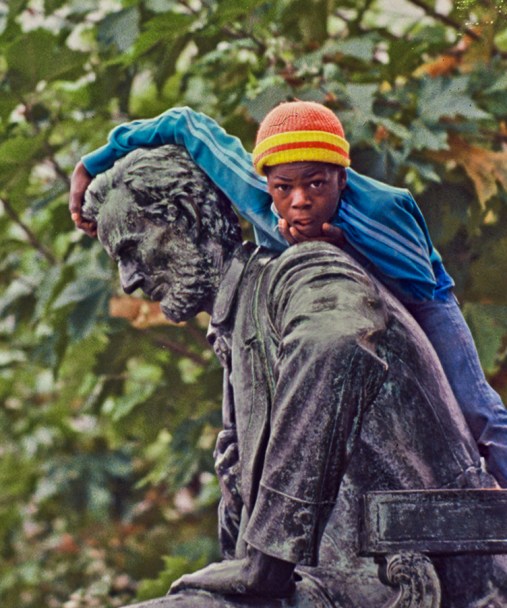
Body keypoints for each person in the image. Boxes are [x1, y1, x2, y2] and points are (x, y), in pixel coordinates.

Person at [78, 145, 506, 608]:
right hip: (334, 599)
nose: (130, 280)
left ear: (184, 219)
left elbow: (336, 343)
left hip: (421, 601)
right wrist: (236, 491)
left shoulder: (301, 273)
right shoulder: (238, 337)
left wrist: (265, 556)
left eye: (133, 248)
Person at [69, 100, 507, 488]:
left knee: (477, 411)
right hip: (343, 314)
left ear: (341, 178)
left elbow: (416, 282)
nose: (299, 200)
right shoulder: (257, 196)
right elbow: (186, 124)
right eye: (284, 188)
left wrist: (339, 244)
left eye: (316, 184)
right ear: (268, 182)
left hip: (421, 302)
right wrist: (95, 160)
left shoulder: (382, 209)